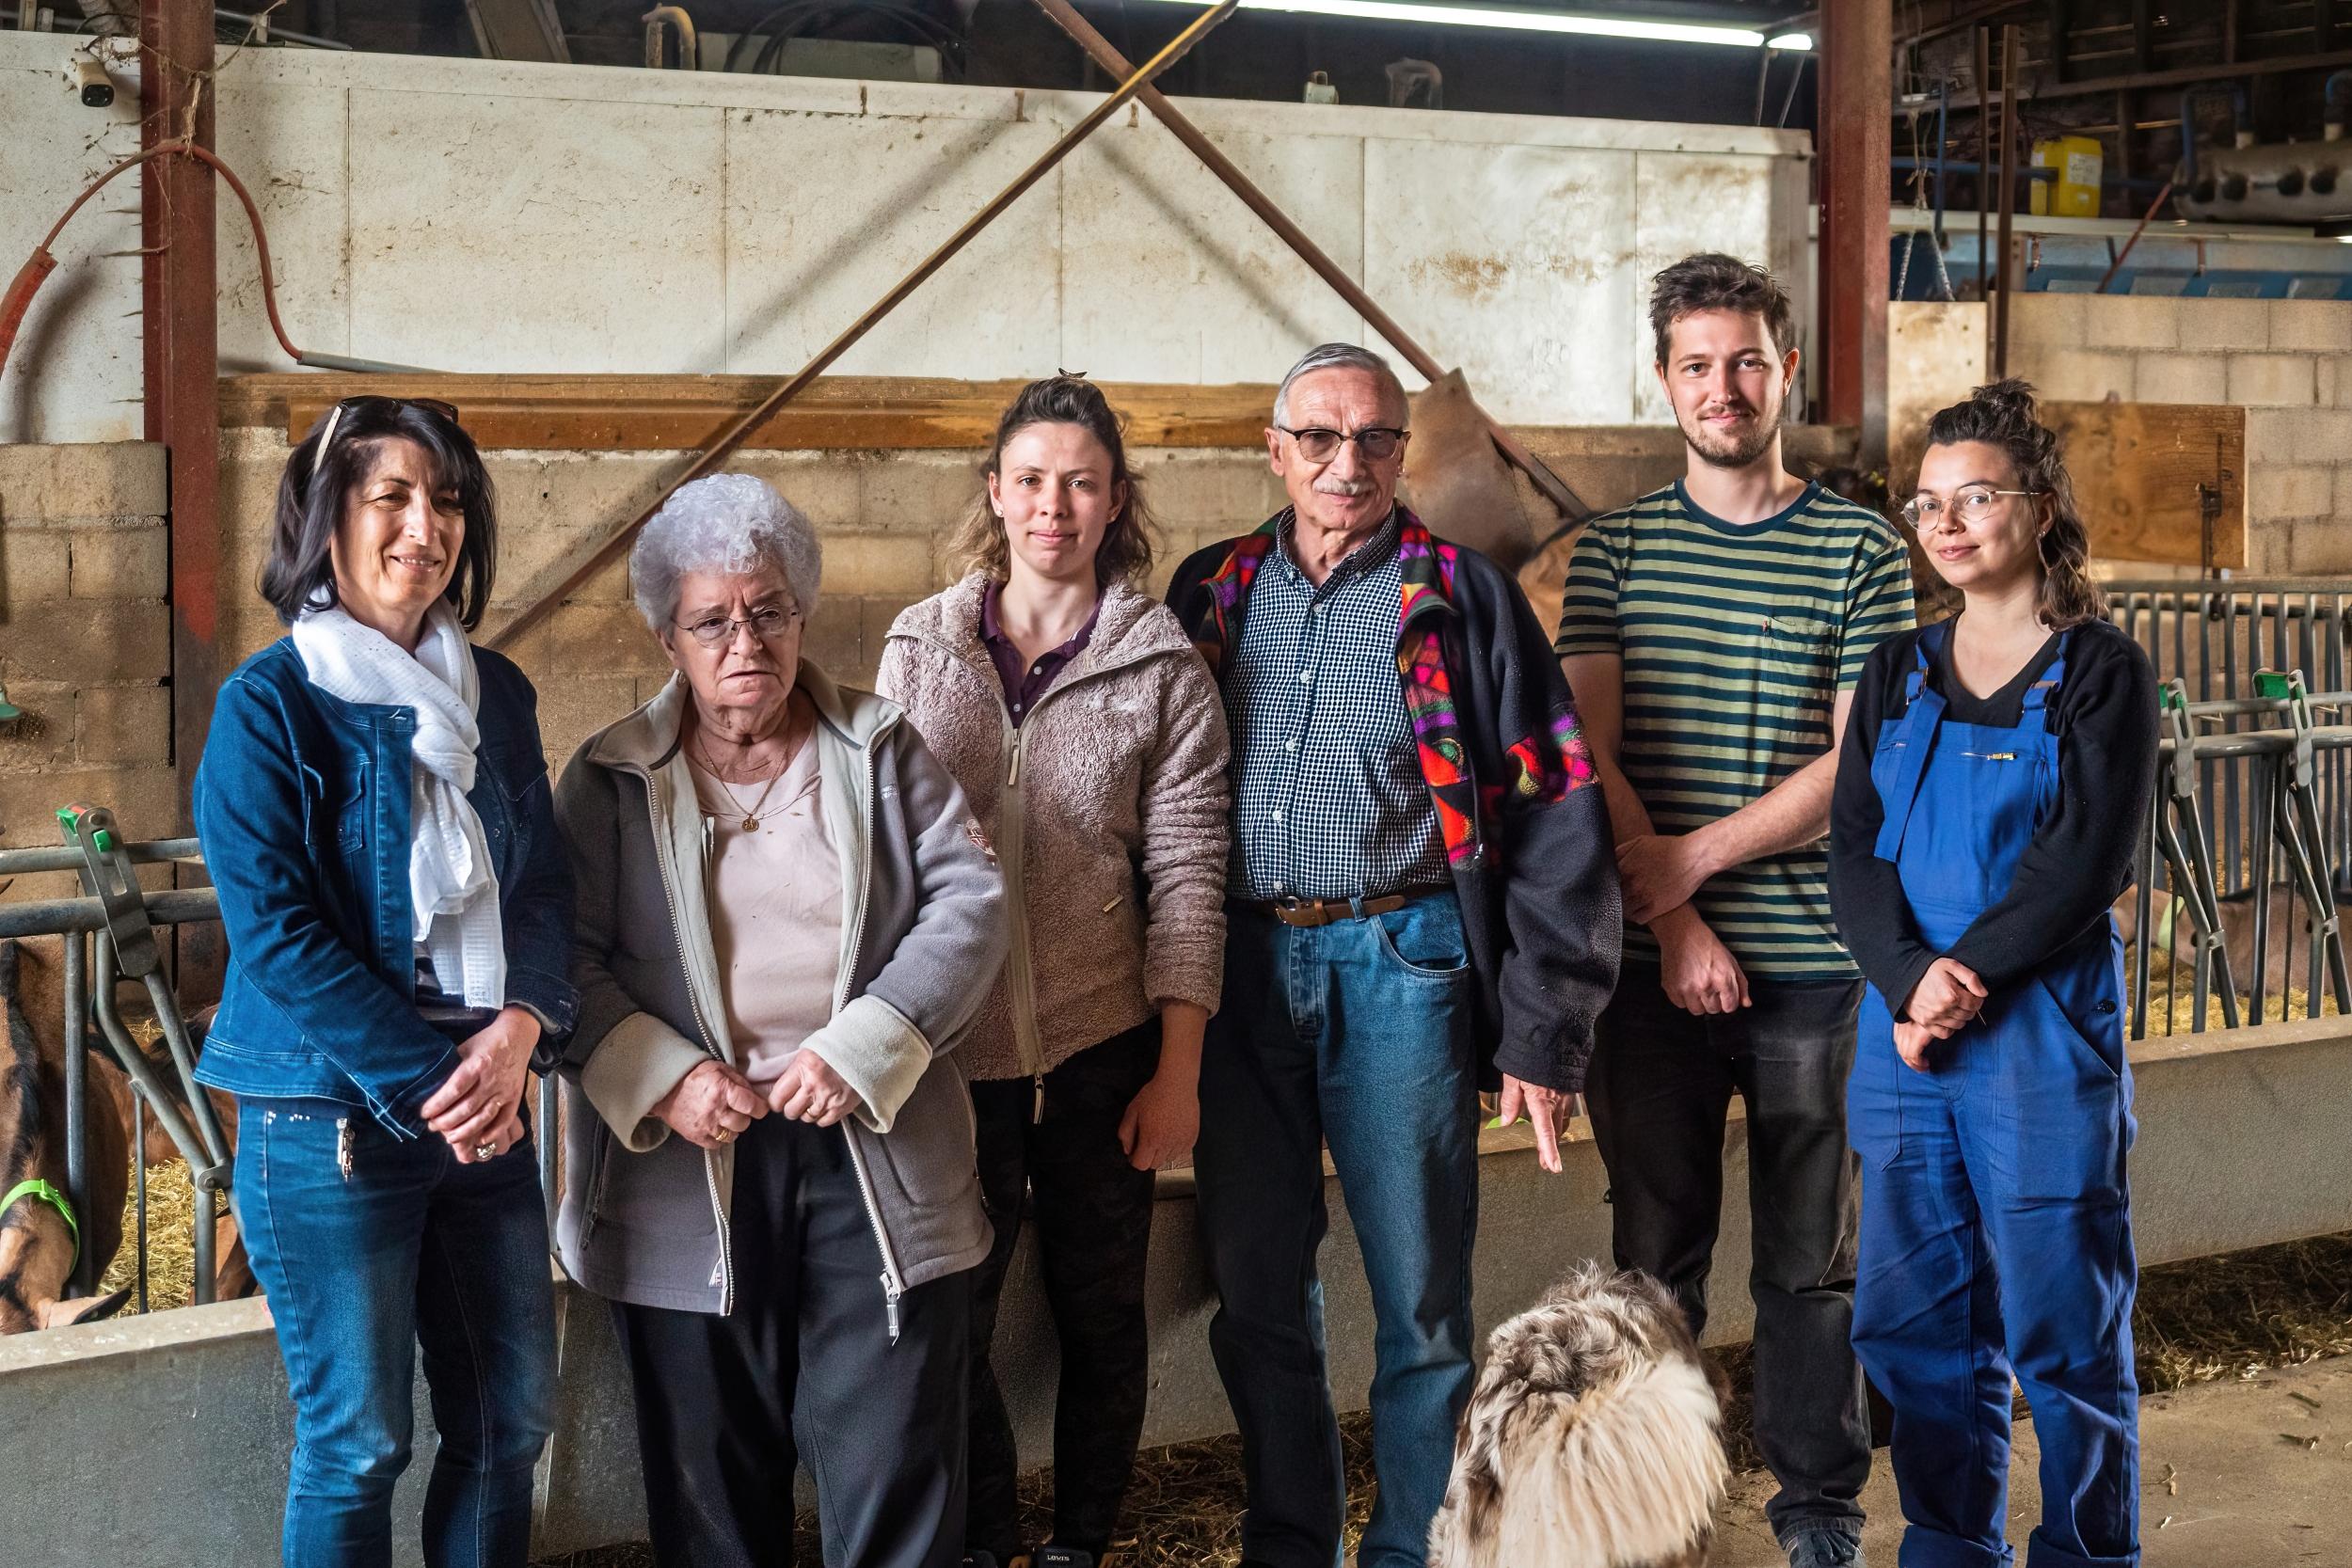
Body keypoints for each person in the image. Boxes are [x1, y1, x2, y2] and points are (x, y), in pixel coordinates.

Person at [1166, 342, 1620, 1568]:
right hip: (1244, 967)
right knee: (1259, 1290)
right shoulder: (1208, 591)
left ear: (1401, 453)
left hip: (1406, 956)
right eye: (1317, 436)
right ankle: (1289, 1539)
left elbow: (1557, 807)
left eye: (1371, 437)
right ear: (1276, 450)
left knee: (1419, 1302)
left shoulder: (1462, 597)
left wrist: (1543, 1023)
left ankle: (1415, 1549)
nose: (1344, 461)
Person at [552, 473, 1006, 1568]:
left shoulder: (878, 746)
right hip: (687, 1159)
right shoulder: (612, 778)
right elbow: (560, 959)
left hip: (871, 1147)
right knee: (710, 1476)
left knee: (894, 1451)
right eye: (712, 619)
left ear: (800, 611)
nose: (743, 638)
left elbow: (971, 900)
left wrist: (863, 1045)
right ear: (669, 635)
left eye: (767, 609)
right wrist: (662, 1072)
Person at [1554, 253, 1914, 1568]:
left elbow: (1855, 762)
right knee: (1655, 1256)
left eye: (1748, 359)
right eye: (1698, 363)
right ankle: (1654, 1512)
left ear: (1788, 369)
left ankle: (1818, 1510)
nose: (1725, 384)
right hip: (1650, 976)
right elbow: (1586, 750)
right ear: (1664, 381)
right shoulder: (1620, 547)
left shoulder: (1858, 547)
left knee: (1811, 1265)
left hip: (1818, 967)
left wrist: (1693, 863)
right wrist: (1679, 921)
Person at [195, 395, 578, 1568]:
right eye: (392, 496)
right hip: (333, 1118)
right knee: (358, 1442)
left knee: (511, 1423)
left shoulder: (495, 696)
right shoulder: (267, 707)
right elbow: (278, 933)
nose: (427, 525)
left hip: (487, 1103)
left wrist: (522, 1030)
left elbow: (544, 891)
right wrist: (436, 1078)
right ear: (327, 519)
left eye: (448, 499)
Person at [877, 377, 1231, 1568]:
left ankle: (1082, 1541)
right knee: (952, 1314)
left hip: (1100, 1047)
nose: (1054, 504)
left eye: (1081, 480)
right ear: (994, 491)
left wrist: (1177, 1064)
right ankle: (981, 1541)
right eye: (1030, 478)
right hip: (950, 1049)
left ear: (1115, 499)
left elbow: (1186, 874)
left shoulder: (1160, 664)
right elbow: (871, 843)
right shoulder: (920, 648)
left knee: (1099, 1307)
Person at [1830, 380, 2153, 1568]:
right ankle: (1947, 1546)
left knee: (2063, 1324)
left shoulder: (2097, 673)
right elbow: (1855, 853)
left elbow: (2084, 860)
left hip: (2033, 1036)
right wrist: (1909, 984)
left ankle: (2083, 1551)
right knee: (1913, 1322)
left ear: (2041, 504)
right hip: (1906, 1033)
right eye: (1927, 502)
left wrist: (1956, 982)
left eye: (1975, 495)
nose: (1947, 521)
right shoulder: (1895, 670)